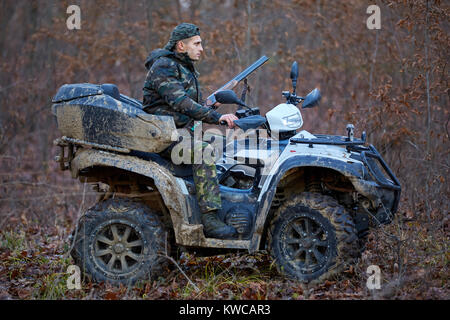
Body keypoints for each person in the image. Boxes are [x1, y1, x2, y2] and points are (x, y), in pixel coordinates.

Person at [142, 23, 238, 239]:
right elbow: (180, 102)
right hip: (163, 138)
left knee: (229, 147)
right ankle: (210, 220)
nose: (201, 48)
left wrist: (208, 107)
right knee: (203, 152)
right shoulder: (164, 67)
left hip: (179, 133)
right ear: (181, 45)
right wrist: (216, 116)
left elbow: (187, 106)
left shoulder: (184, 67)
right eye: (197, 43)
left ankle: (232, 200)